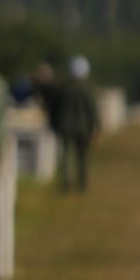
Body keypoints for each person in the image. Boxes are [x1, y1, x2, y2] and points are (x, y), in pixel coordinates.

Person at [52, 56, 99, 192]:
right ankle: (83, 184)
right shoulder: (87, 88)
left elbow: (56, 107)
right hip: (83, 128)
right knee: (82, 157)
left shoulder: (64, 88)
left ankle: (67, 183)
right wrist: (95, 127)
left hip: (66, 127)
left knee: (67, 155)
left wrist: (56, 124)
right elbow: (92, 109)